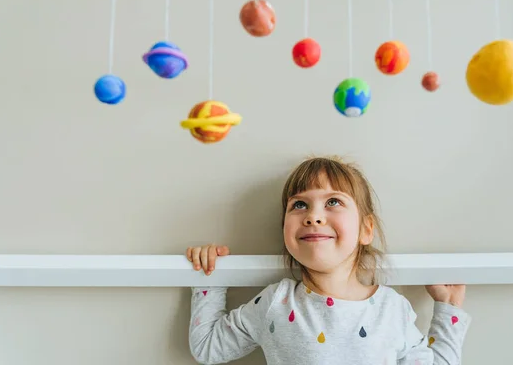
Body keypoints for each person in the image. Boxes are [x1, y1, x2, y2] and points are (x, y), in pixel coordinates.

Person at [186, 156, 471, 364]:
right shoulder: (277, 302)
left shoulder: (392, 310)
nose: (313, 215)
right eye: (299, 205)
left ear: (366, 229)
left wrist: (448, 308)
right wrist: (210, 274)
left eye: (333, 202)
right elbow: (208, 348)